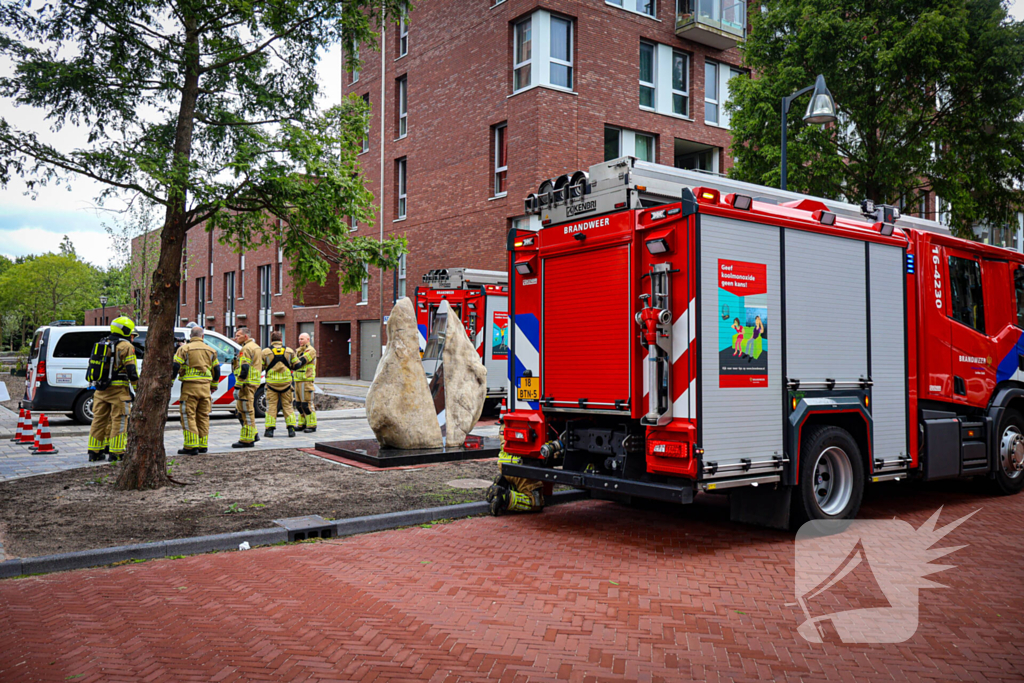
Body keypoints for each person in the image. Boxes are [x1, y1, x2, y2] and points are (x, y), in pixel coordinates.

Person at [87, 316, 139, 462]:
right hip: (119, 392)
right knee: (120, 421)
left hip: (100, 390)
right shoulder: (126, 347)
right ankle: (116, 452)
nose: (132, 337)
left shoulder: (102, 343)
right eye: (131, 334)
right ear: (126, 330)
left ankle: (94, 451)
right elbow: (132, 371)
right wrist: (138, 389)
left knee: (98, 420)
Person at [172, 325, 220, 455]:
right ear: (202, 336)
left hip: (190, 388)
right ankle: (203, 445)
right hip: (205, 388)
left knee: (188, 415)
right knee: (203, 416)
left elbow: (175, 366)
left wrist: (170, 382)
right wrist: (214, 385)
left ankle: (191, 446)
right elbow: (217, 370)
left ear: (190, 337)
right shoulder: (211, 350)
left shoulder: (184, 349)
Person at [232, 327, 263, 448]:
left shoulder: (245, 349)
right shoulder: (256, 347)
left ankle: (247, 439)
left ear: (246, 337)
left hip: (246, 384)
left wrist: (238, 385)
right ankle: (253, 434)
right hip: (253, 383)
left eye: (238, 335)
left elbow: (244, 368)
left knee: (246, 412)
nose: (236, 338)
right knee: (242, 410)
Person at [261, 331, 297, 438]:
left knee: (271, 407)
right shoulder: (289, 351)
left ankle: (269, 430)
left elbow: (261, 367)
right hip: (286, 384)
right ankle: (291, 429)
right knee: (288, 406)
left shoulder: (265, 352)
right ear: (281, 340)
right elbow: (297, 364)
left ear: (271, 340)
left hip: (272, 385)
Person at [291, 332, 318, 433]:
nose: (300, 341)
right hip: (298, 380)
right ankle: (302, 424)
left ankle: (312, 425)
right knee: (298, 404)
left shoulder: (311, 351)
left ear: (308, 339)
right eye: (299, 339)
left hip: (306, 381)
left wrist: (292, 361)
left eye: (302, 339)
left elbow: (300, 362)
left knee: (307, 404)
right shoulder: (298, 351)